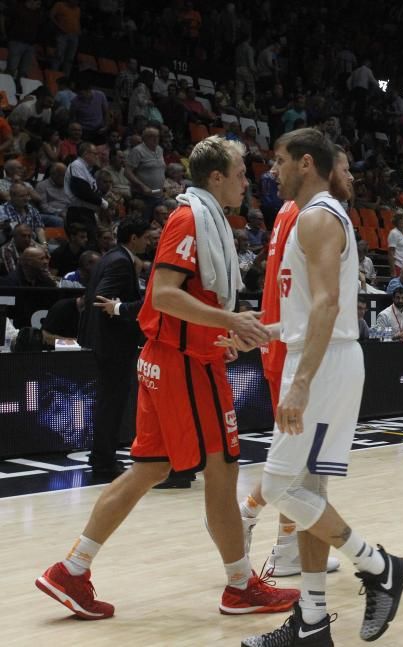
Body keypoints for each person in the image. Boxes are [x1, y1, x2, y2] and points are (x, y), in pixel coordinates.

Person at [35, 136, 298, 620]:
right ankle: (240, 586)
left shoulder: (207, 218)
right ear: (215, 177)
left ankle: (72, 569)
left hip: (173, 357)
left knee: (149, 469)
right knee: (223, 470)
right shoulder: (187, 218)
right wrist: (228, 323)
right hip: (183, 363)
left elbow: (192, 300)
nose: (248, 179)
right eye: (240, 172)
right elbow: (163, 295)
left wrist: (233, 321)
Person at [235, 130, 403, 646]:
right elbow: (306, 312)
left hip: (322, 366)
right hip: (313, 356)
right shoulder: (309, 217)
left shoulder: (316, 217)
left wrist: (302, 382)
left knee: (280, 487)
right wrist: (259, 333)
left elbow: (329, 307)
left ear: (306, 163)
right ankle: (312, 623)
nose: (272, 171)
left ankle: (381, 566)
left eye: (280, 161)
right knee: (305, 490)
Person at [237, 197, 342, 579]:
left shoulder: (286, 211)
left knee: (302, 461)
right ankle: (247, 513)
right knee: (305, 461)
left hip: (282, 342)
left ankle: (286, 549)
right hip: (297, 346)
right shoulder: (314, 214)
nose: (346, 174)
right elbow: (312, 295)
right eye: (342, 166)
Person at [76, 217, 152, 476]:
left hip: (105, 342)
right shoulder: (121, 261)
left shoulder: (112, 256)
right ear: (134, 238)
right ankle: (103, 460)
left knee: (109, 401)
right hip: (113, 345)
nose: (148, 241)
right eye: (146, 237)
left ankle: (102, 457)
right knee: (112, 402)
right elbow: (101, 299)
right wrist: (121, 313)